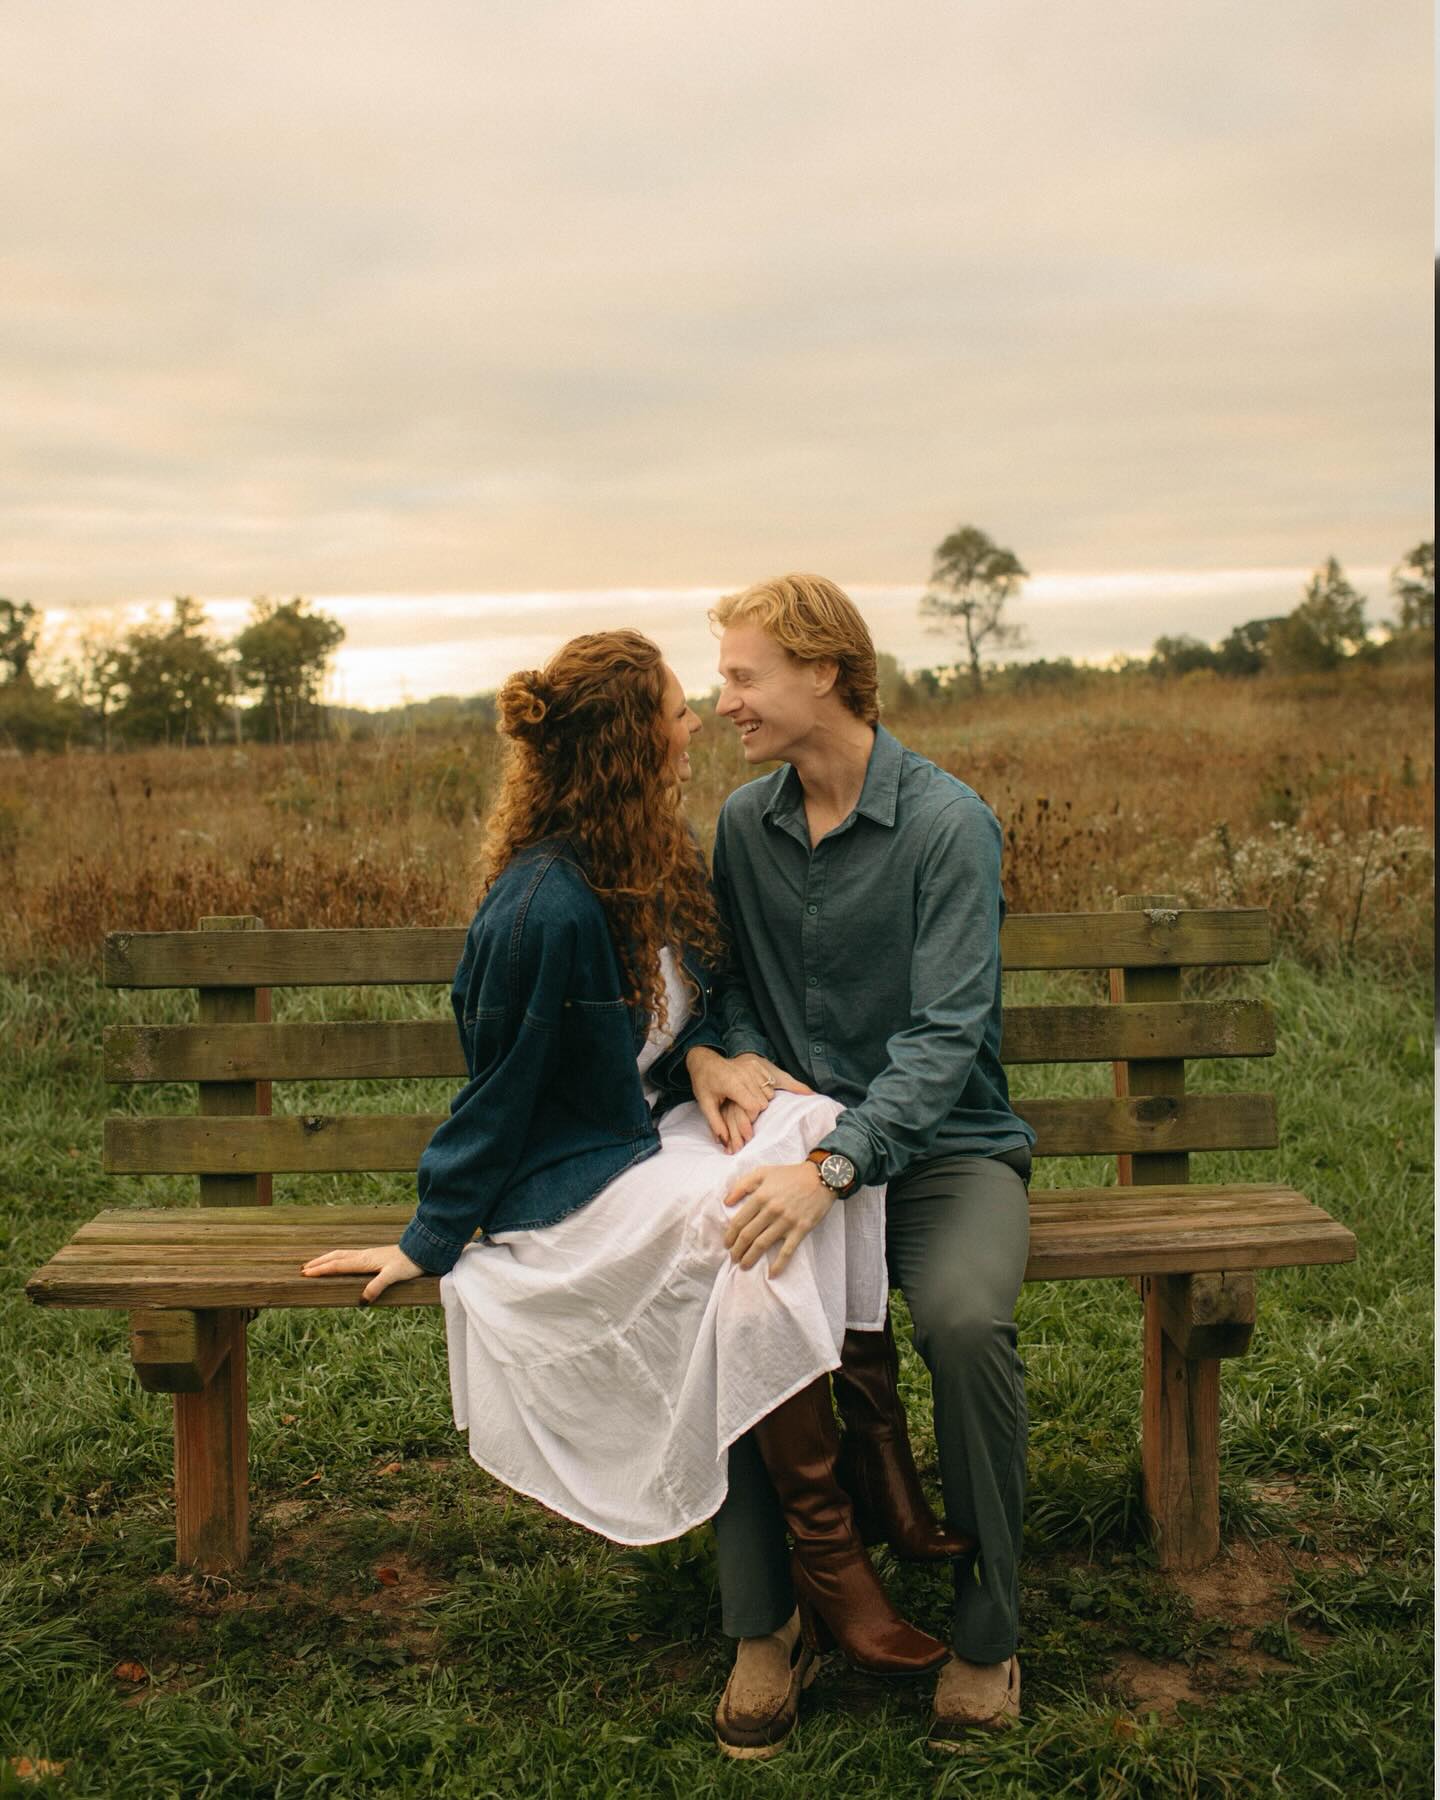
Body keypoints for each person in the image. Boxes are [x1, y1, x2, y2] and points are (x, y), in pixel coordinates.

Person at [299, 627, 953, 1758]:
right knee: (745, 1224)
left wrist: (705, 1059)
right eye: (674, 710)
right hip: (581, 1185)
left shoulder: (648, 851)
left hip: (647, 1137)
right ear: (627, 741)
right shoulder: (542, 906)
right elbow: (498, 1092)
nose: (696, 720)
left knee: (806, 1135)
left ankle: (867, 1450)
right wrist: (431, 1236)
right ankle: (833, 1545)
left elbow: (683, 1013)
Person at [705, 574, 1035, 1756]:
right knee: (737, 1289)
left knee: (959, 1321)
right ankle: (763, 1621)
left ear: (825, 674)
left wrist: (838, 1166)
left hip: (944, 1154)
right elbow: (729, 978)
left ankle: (991, 1631)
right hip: (797, 1152)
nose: (724, 699)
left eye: (744, 675)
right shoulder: (745, 826)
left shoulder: (948, 824)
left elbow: (947, 1040)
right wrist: (726, 1053)